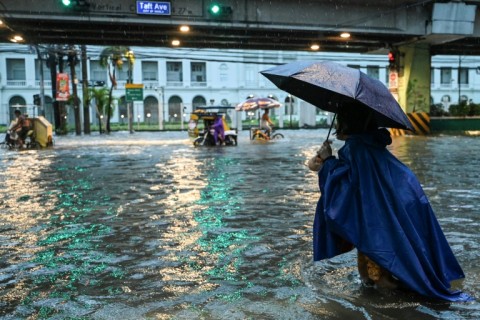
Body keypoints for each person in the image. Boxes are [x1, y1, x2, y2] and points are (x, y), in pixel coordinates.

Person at [307, 103, 472, 302]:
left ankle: (391, 301)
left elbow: (345, 190)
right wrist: (327, 163)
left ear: (348, 123)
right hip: (403, 201)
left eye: (340, 120)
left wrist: (327, 162)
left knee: (377, 278)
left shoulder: (356, 148)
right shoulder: (369, 144)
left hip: (377, 219)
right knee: (386, 266)